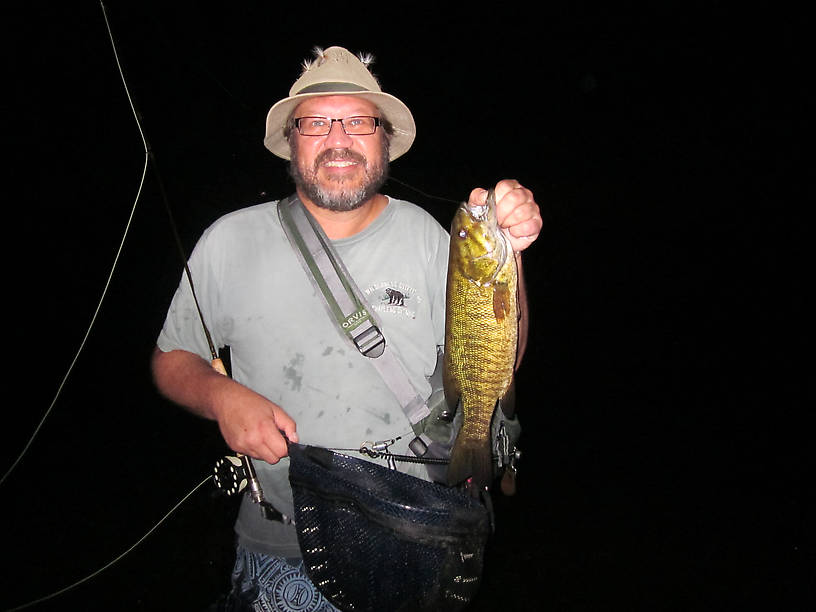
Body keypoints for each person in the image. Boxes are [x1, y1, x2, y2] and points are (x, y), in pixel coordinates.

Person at [151, 46, 542, 611]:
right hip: (282, 543)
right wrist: (220, 396)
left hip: (416, 529)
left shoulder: (429, 237)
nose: (338, 138)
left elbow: (499, 357)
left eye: (359, 121)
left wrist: (514, 256)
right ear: (292, 140)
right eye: (316, 122)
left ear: (384, 139)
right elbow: (172, 360)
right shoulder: (227, 242)